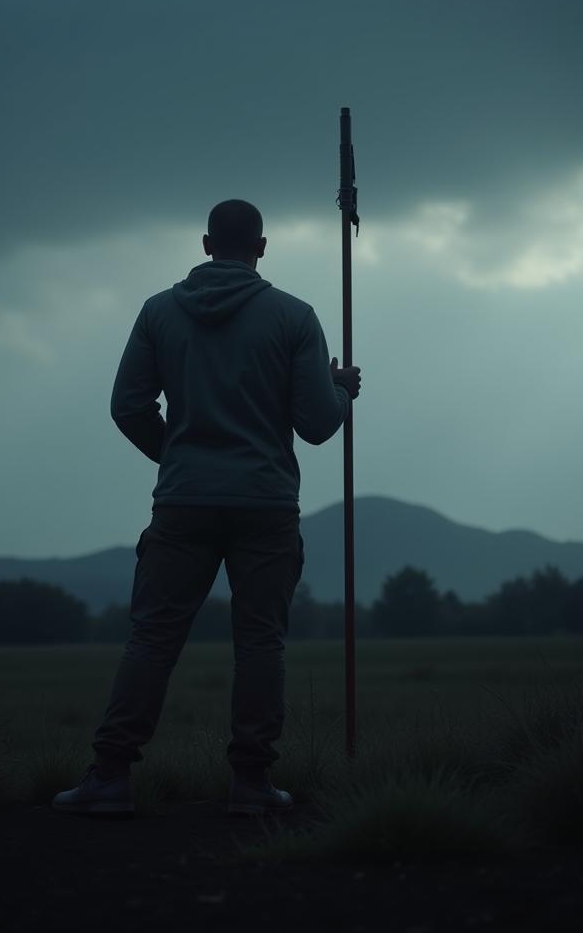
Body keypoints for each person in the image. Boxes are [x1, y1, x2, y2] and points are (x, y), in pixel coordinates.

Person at [53, 199, 361, 817]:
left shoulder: (158, 313)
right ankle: (250, 785)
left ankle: (109, 777)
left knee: (153, 639)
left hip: (183, 503)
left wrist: (176, 456)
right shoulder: (294, 317)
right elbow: (320, 426)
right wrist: (340, 390)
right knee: (260, 643)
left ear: (204, 243)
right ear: (263, 247)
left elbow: (127, 406)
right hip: (266, 504)